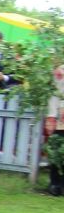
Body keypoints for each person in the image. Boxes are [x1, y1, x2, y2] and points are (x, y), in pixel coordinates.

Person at [45, 66, 64, 196]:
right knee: (57, 152)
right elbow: (54, 95)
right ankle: (55, 184)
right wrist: (52, 116)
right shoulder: (60, 71)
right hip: (61, 119)